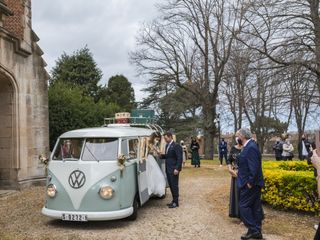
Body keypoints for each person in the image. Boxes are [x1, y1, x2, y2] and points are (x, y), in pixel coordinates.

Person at [236, 128, 264, 240]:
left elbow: (254, 167)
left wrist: (250, 182)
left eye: (237, 135)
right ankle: (255, 231)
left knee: (243, 206)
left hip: (250, 184)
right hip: (250, 182)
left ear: (243, 136)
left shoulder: (251, 147)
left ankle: (254, 230)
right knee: (255, 207)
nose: (237, 138)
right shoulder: (248, 146)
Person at [161, 132, 183, 208]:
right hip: (168, 169)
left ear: (170, 137)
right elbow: (168, 156)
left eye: (166, 138)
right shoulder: (167, 145)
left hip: (174, 169)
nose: (165, 140)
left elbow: (179, 158)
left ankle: (176, 202)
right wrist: (160, 155)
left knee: (174, 185)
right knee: (171, 185)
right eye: (164, 138)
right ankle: (173, 200)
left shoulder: (176, 146)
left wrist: (177, 168)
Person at [227, 136, 242, 219]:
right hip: (234, 173)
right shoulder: (233, 148)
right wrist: (230, 169)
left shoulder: (246, 148)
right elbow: (229, 159)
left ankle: (243, 215)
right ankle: (235, 212)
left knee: (242, 193)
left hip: (243, 173)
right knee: (236, 193)